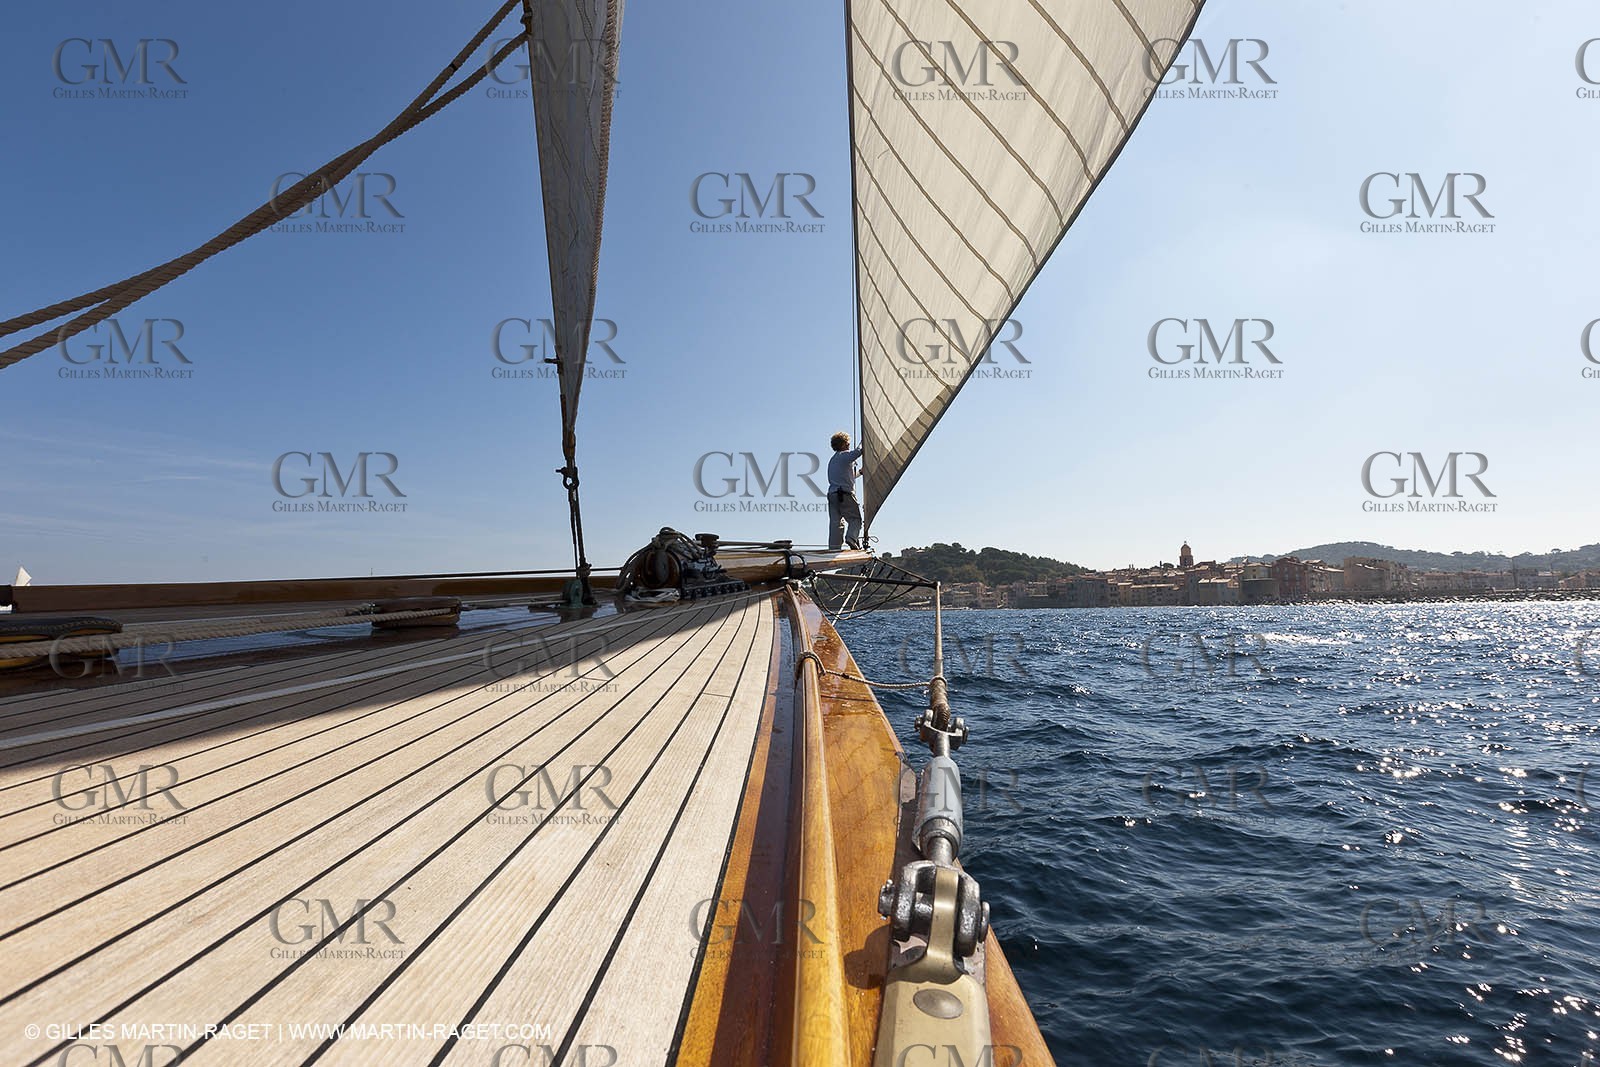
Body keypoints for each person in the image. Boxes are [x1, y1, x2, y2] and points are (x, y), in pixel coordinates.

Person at [827, 431, 863, 551]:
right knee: (855, 519)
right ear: (843, 444)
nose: (848, 446)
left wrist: (860, 473)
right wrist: (865, 440)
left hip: (832, 494)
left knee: (836, 523)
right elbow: (858, 452)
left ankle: (834, 548)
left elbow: (847, 476)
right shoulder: (844, 455)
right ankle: (851, 538)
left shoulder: (833, 461)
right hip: (844, 494)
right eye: (847, 443)